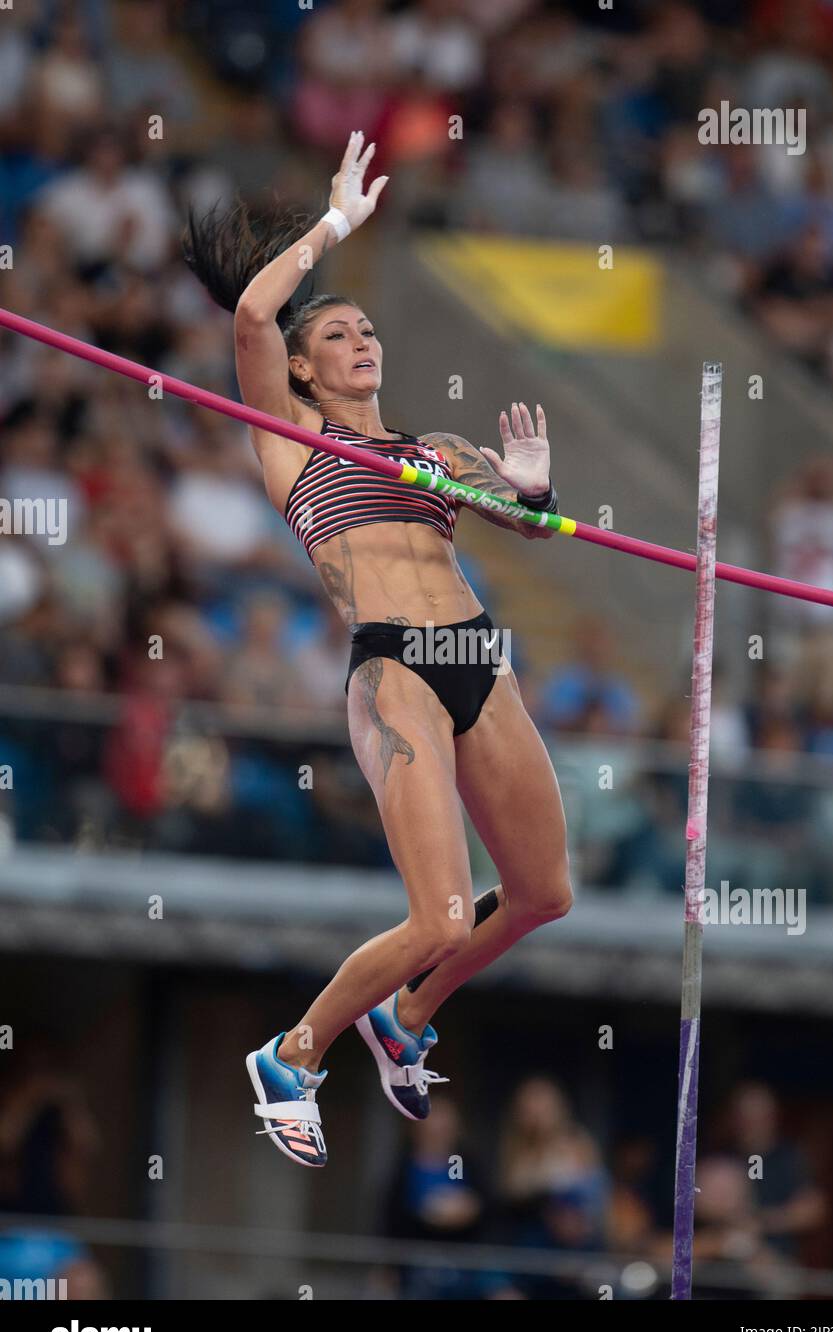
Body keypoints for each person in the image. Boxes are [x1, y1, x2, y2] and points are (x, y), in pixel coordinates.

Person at [183, 132, 573, 1168]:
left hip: (477, 661)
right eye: (341, 335)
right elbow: (255, 314)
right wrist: (333, 227)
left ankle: (400, 1020)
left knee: (542, 891)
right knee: (440, 912)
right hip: (394, 666)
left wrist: (529, 488)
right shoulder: (293, 444)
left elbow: (529, 527)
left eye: (368, 331)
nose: (363, 342)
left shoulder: (433, 452)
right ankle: (292, 1054)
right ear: (304, 371)